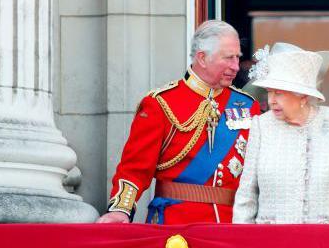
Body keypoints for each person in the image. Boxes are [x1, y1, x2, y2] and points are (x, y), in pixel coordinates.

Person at [97, 20, 261, 224]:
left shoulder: (247, 106)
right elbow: (135, 169)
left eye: (237, 58)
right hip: (177, 226)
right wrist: (120, 210)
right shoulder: (160, 103)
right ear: (202, 58)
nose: (236, 66)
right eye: (228, 58)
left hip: (234, 225)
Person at [232, 44, 329, 224]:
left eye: (279, 93)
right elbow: (246, 198)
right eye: (269, 92)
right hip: (271, 244)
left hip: (327, 245)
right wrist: (244, 245)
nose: (271, 101)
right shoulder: (261, 126)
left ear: (303, 96)